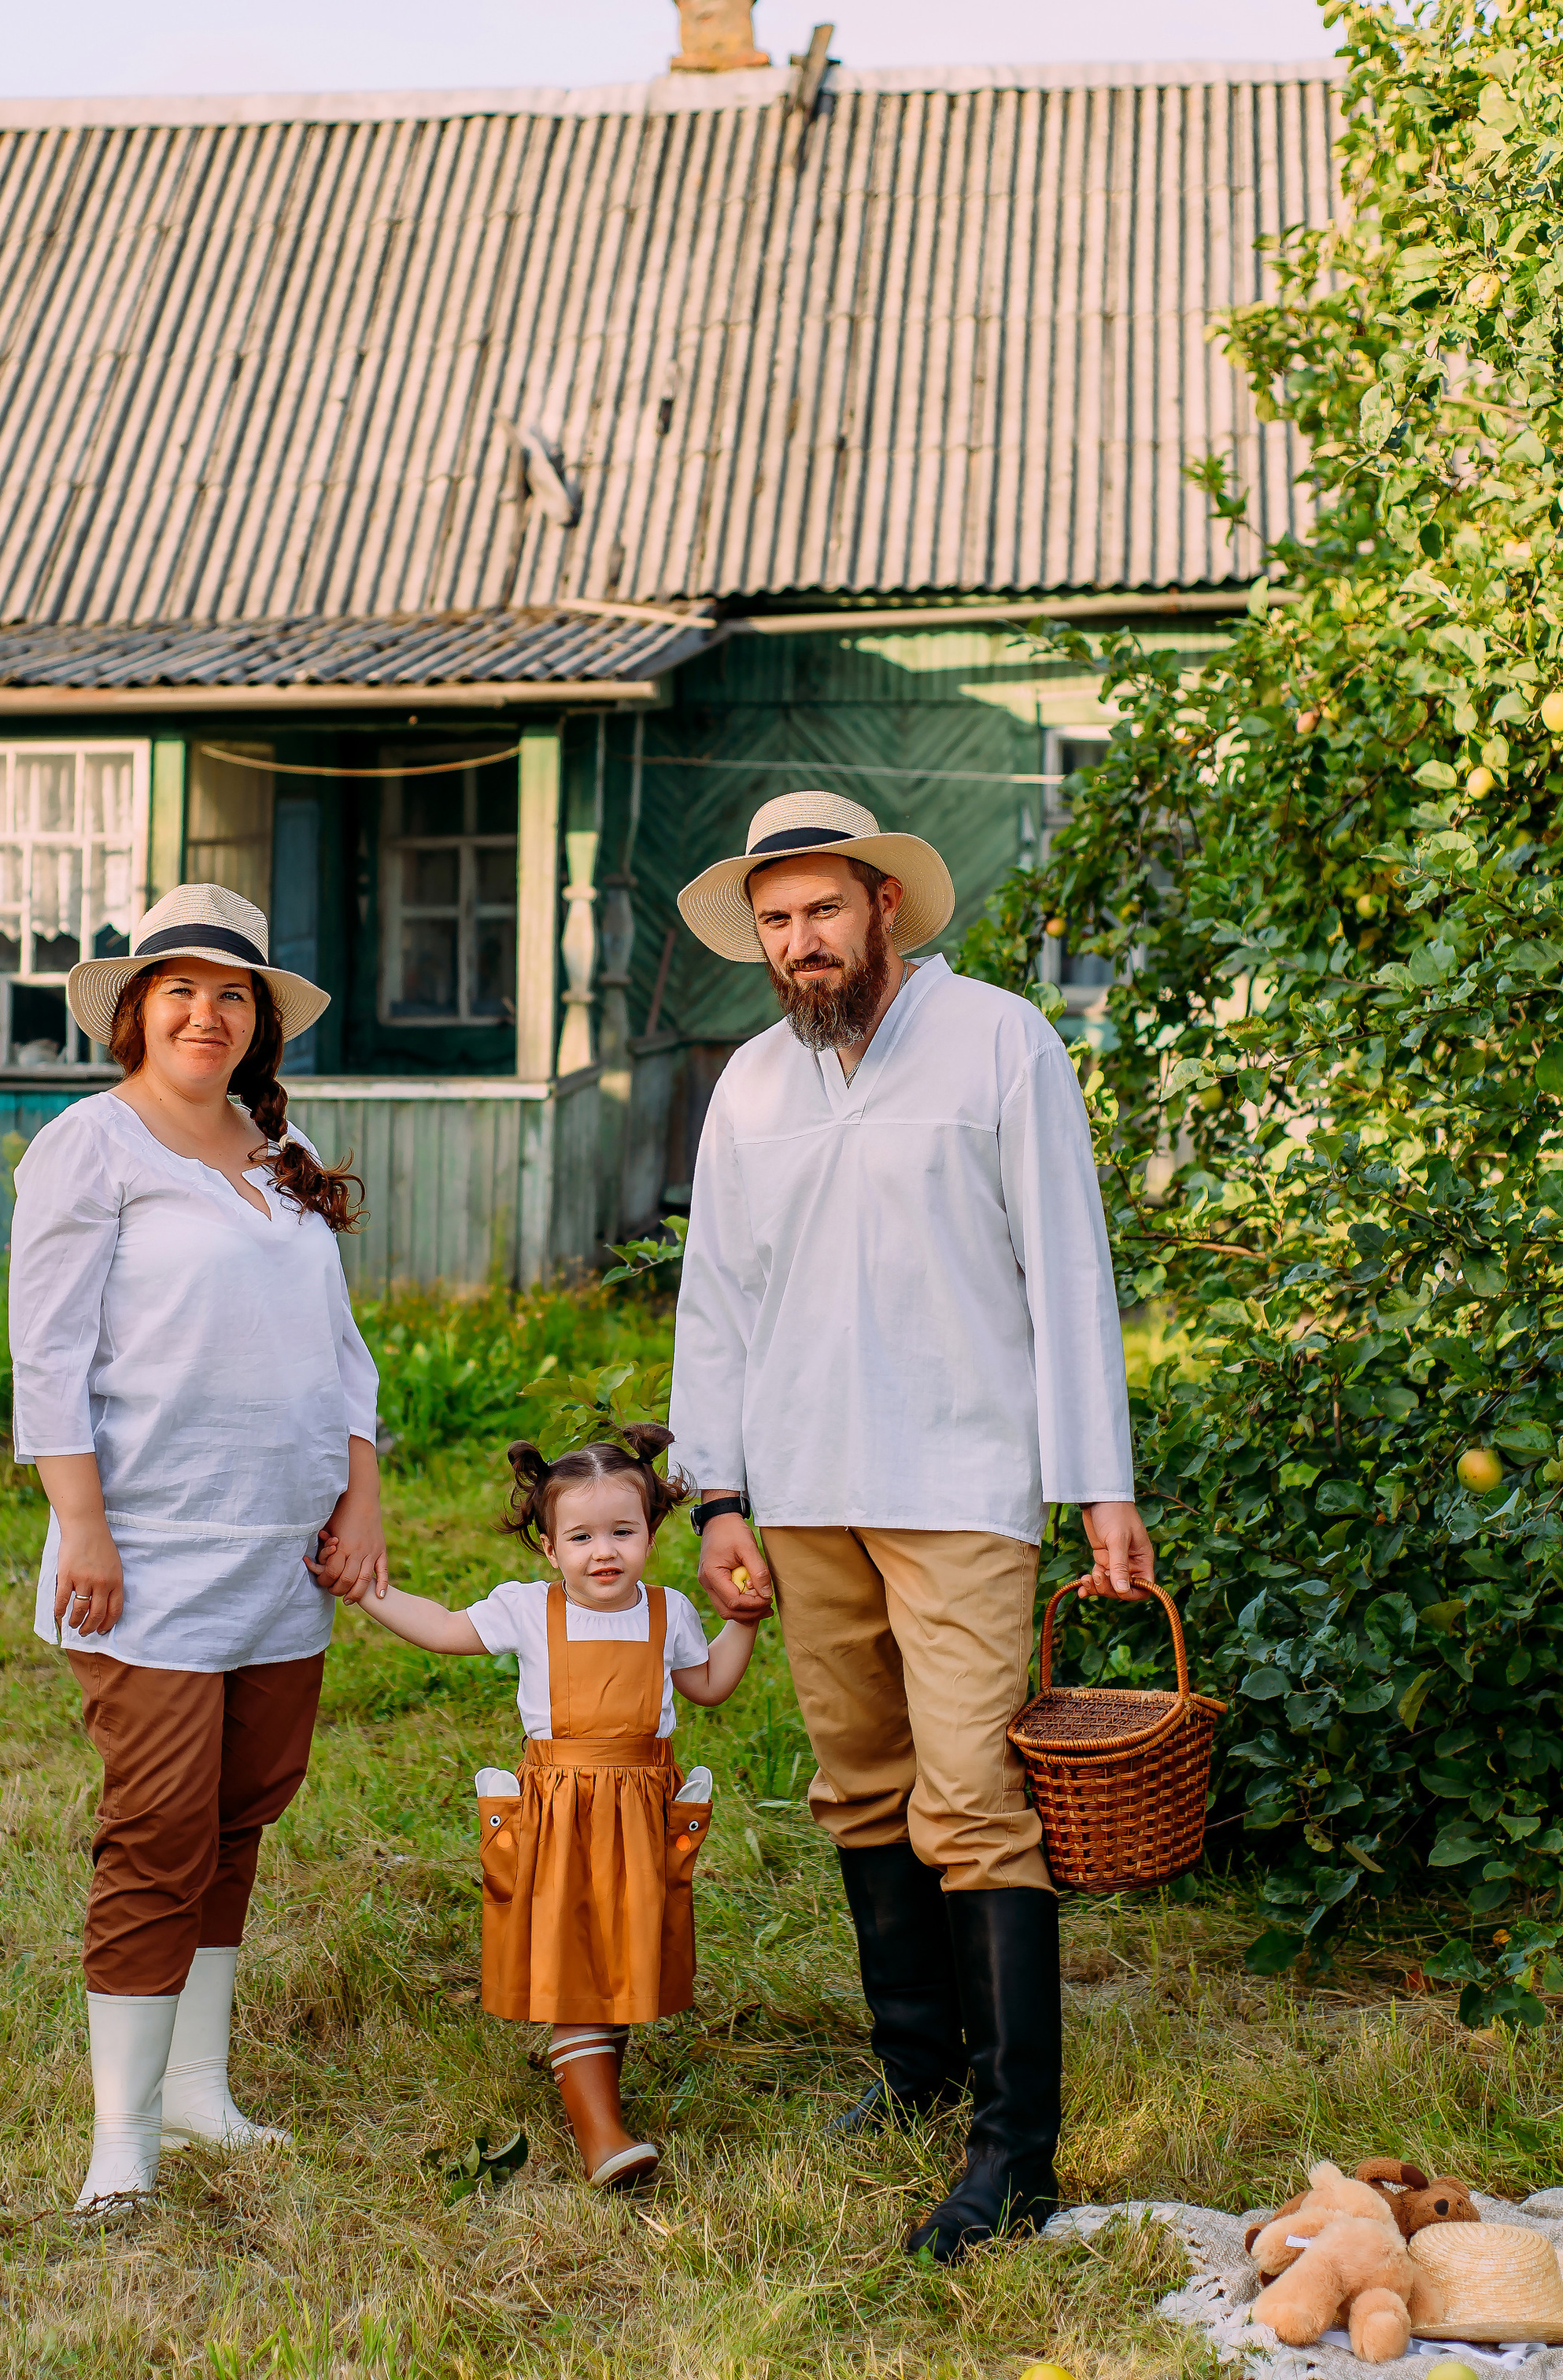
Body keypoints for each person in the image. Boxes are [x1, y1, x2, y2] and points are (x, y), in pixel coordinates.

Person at [665, 791, 1153, 2261]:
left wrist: (1099, 1480)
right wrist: (720, 1489)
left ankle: (1018, 2148)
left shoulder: (1002, 1040)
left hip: (957, 1482)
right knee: (862, 1785)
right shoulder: (752, 1081)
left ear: (884, 901)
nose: (800, 941)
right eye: (775, 920)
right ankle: (916, 2068)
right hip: (805, 1486)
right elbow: (720, 1296)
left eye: (822, 909)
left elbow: (1067, 1263)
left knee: (973, 1794)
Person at [9, 881, 385, 2213]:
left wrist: (363, 1490)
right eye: (179, 988)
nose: (206, 1012)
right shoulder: (88, 1147)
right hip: (148, 1548)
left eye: (233, 993)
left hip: (279, 1548)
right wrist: (84, 1524)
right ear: (134, 1010)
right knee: (158, 1824)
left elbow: (337, 1347)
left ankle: (198, 2089)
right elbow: (47, 1354)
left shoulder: (279, 1140)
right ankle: (123, 2134)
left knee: (238, 1815)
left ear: (258, 1022)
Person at [343, 1427, 756, 2186]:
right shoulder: (530, 1611)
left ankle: (601, 2101)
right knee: (575, 1965)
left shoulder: (669, 1612)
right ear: (548, 1548)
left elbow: (709, 1686)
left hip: (640, 1813)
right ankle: (601, 2137)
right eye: (581, 1537)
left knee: (620, 1962)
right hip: (561, 1818)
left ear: (651, 1533)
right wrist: (366, 1590)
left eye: (622, 1532)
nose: (604, 1552)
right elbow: (441, 1630)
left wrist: (746, 1622)